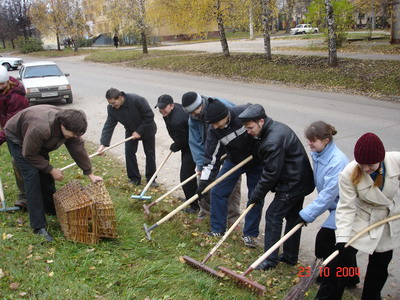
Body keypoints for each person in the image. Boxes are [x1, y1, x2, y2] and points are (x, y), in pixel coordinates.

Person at [316, 133, 400, 300]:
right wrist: (342, 239)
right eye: (362, 165)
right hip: (362, 218)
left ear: (381, 158)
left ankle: (371, 297)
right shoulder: (348, 173)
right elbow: (346, 208)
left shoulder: (396, 160)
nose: (366, 169)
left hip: (388, 219)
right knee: (339, 262)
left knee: (380, 264)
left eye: (370, 165)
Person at [5, 105, 103, 242]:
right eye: (73, 134)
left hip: (38, 142)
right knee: (32, 175)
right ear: (62, 125)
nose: (75, 136)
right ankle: (38, 226)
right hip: (19, 140)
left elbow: (77, 148)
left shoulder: (72, 126)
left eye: (77, 134)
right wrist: (51, 169)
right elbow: (29, 154)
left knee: (45, 176)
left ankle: (51, 209)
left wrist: (89, 173)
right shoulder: (40, 128)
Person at [238, 104, 315, 269]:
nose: (248, 131)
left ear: (261, 121)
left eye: (250, 127)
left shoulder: (272, 140)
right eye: (246, 128)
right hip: (299, 180)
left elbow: (270, 174)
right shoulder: (273, 128)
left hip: (293, 184)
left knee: (273, 215)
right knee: (293, 218)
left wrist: (256, 195)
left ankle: (269, 260)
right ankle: (290, 257)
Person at [298, 121, 359, 286]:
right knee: (345, 244)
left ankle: (326, 275)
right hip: (337, 204)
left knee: (324, 240)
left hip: (348, 206)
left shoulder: (337, 162)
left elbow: (327, 195)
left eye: (313, 140)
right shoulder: (319, 153)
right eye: (308, 139)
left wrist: (306, 214)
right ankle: (351, 278)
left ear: (326, 140)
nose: (309, 143)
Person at [197, 98, 263, 249]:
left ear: (225, 115)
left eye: (216, 123)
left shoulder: (243, 114)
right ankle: (217, 230)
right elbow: (211, 158)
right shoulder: (214, 130)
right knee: (218, 191)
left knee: (255, 197)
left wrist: (259, 147)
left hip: (256, 160)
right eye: (212, 124)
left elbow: (263, 125)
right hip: (234, 160)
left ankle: (250, 235)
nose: (214, 126)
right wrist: (204, 183)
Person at [181, 92, 241, 229]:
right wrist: (200, 164)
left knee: (231, 182)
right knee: (202, 181)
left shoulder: (222, 107)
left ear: (201, 105)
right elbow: (195, 142)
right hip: (210, 150)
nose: (193, 114)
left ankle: (232, 218)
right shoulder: (193, 118)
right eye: (190, 113)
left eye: (194, 111)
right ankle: (206, 213)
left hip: (229, 150)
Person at [98, 88, 157, 186]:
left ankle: (151, 179)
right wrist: (103, 144)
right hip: (130, 130)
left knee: (149, 154)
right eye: (110, 104)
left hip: (147, 129)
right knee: (129, 152)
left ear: (120, 97)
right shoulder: (112, 109)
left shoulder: (137, 100)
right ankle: (134, 179)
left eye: (114, 103)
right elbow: (109, 125)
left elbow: (149, 116)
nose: (113, 106)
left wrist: (139, 131)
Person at [155, 94, 199, 213]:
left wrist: (175, 146)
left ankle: (194, 206)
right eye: (159, 108)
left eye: (163, 108)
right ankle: (191, 198)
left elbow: (182, 141)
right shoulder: (172, 111)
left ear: (172, 105)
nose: (161, 110)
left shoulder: (177, 120)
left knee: (186, 176)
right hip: (189, 143)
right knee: (188, 175)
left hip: (192, 147)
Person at [0, 65, 29, 210]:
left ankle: (26, 196)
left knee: (19, 162)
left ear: (7, 82)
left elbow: (12, 125)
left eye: (2, 84)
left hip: (22, 133)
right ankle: (25, 194)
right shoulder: (2, 93)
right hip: (9, 132)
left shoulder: (16, 97)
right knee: (16, 162)